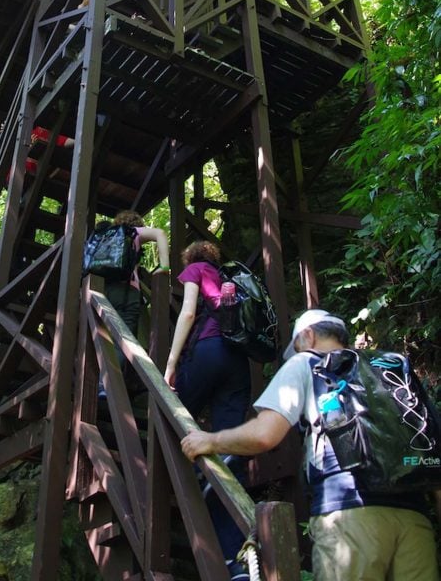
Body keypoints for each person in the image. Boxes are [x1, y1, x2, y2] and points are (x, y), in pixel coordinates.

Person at [180, 308, 441, 581]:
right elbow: (432, 448)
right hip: (415, 518)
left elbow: (264, 435)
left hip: (348, 513)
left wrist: (211, 440)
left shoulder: (306, 362)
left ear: (307, 336)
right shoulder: (392, 369)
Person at [164, 240, 251, 581]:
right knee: (230, 449)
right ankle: (236, 557)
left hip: (208, 351)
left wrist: (170, 364)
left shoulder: (195, 270)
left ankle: (178, 479)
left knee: (172, 413)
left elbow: (187, 312)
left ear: (191, 259)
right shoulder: (231, 280)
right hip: (237, 361)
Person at [103, 210, 170, 343]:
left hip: (105, 290)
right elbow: (160, 233)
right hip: (127, 292)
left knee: (105, 339)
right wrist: (165, 267)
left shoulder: (108, 237)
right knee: (125, 342)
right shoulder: (134, 232)